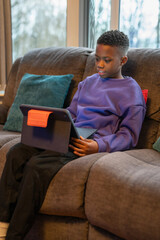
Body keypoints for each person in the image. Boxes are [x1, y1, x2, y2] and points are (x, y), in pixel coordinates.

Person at [0, 30, 146, 240]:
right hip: (67, 133)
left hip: (88, 143)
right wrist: (53, 124)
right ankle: (2, 224)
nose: (100, 65)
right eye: (97, 59)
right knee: (17, 152)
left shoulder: (131, 92)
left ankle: (14, 235)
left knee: (37, 166)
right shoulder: (87, 83)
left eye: (107, 60)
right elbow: (72, 113)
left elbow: (129, 135)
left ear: (123, 60)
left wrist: (98, 146)